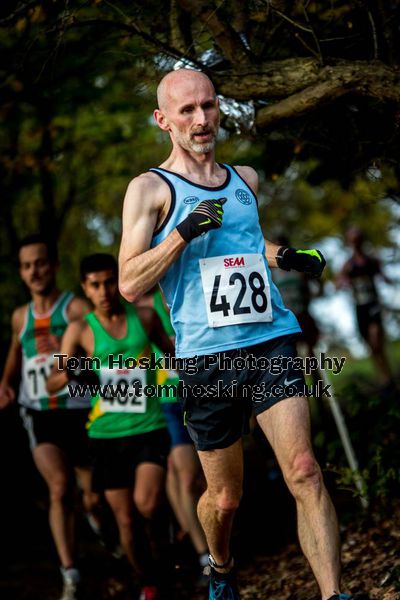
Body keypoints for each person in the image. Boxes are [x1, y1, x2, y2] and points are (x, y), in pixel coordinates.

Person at [118, 68, 356, 600]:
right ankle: (220, 563)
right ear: (164, 120)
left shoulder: (245, 179)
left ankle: (333, 594)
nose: (201, 119)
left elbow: (248, 244)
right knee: (225, 498)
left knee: (304, 470)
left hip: (269, 338)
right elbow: (130, 282)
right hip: (206, 357)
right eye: (187, 110)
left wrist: (286, 255)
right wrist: (182, 231)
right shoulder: (150, 189)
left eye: (208, 106)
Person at [47, 253, 174, 600]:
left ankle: (168, 558)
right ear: (86, 289)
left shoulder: (145, 317)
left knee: (148, 505)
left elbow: (173, 352)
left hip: (149, 426)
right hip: (105, 434)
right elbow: (52, 382)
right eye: (95, 285)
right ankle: (148, 582)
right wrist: (75, 369)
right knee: (127, 521)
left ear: (117, 281)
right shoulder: (80, 330)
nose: (103, 291)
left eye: (108, 282)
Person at [0, 234, 98, 600]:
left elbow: (102, 347)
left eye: (40, 263)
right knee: (58, 487)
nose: (34, 271)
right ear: (22, 273)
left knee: (94, 498)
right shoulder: (20, 316)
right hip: (39, 412)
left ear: (54, 266)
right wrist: (6, 383)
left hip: (81, 409)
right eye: (27, 266)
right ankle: (70, 573)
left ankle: (98, 520)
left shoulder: (75, 309)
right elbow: (16, 351)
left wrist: (65, 350)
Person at [136, 287, 209, 577]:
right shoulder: (136, 306)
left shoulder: (179, 290)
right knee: (186, 475)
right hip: (166, 400)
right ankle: (203, 552)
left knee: (195, 478)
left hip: (202, 391)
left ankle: (210, 542)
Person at [336, 226, 393, 387]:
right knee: (372, 347)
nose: (356, 243)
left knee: (376, 341)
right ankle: (384, 378)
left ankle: (387, 378)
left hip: (373, 305)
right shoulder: (348, 264)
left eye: (358, 239)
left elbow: (382, 276)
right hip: (359, 307)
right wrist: (343, 282)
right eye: (353, 240)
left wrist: (389, 280)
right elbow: (338, 282)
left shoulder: (371, 261)